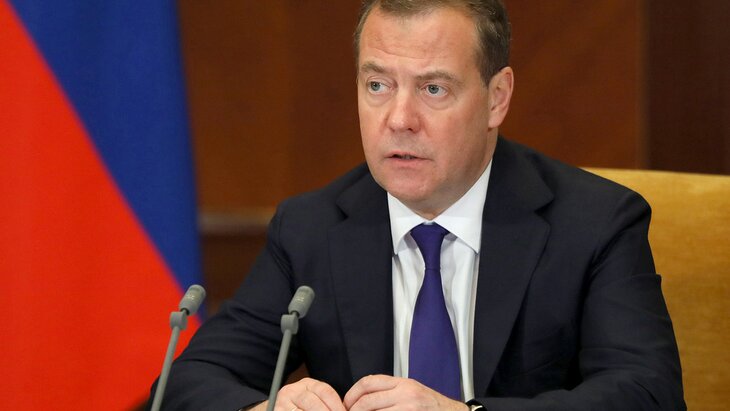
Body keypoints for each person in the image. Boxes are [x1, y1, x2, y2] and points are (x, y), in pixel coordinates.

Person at [150, 1, 685, 409]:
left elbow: (648, 392)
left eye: (433, 89)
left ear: (497, 98)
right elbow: (185, 384)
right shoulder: (311, 228)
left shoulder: (594, 223)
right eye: (377, 84)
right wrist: (265, 409)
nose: (399, 119)